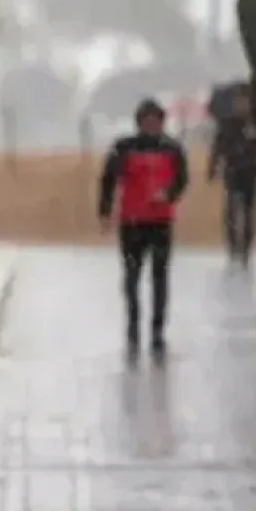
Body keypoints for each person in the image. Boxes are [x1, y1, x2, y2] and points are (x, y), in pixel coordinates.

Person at [98, 98, 188, 357]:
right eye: (146, 121)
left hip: (160, 220)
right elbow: (108, 179)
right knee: (132, 276)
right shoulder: (124, 147)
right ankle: (133, 325)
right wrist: (105, 211)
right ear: (139, 123)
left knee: (160, 277)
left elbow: (182, 179)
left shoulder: (172, 148)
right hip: (132, 220)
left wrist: (168, 194)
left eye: (156, 121)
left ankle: (158, 329)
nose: (151, 125)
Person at [207, 83, 256, 263]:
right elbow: (218, 145)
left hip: (251, 171)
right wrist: (213, 167)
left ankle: (245, 247)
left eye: (245, 101)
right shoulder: (228, 123)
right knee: (231, 209)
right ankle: (232, 246)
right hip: (232, 170)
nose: (242, 105)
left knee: (248, 212)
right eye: (239, 101)